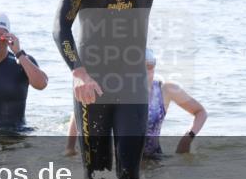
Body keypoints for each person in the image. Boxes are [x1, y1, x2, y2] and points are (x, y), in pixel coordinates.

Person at [54, 0, 160, 179]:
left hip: (132, 82)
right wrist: (78, 72)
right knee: (95, 177)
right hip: (93, 82)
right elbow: (60, 26)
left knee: (130, 177)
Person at [64, 48, 207, 157]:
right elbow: (80, 110)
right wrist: (70, 148)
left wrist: (187, 139)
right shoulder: (113, 89)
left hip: (153, 158)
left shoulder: (166, 90)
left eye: (149, 67)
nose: (144, 73)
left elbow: (200, 112)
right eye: (138, 68)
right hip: (119, 160)